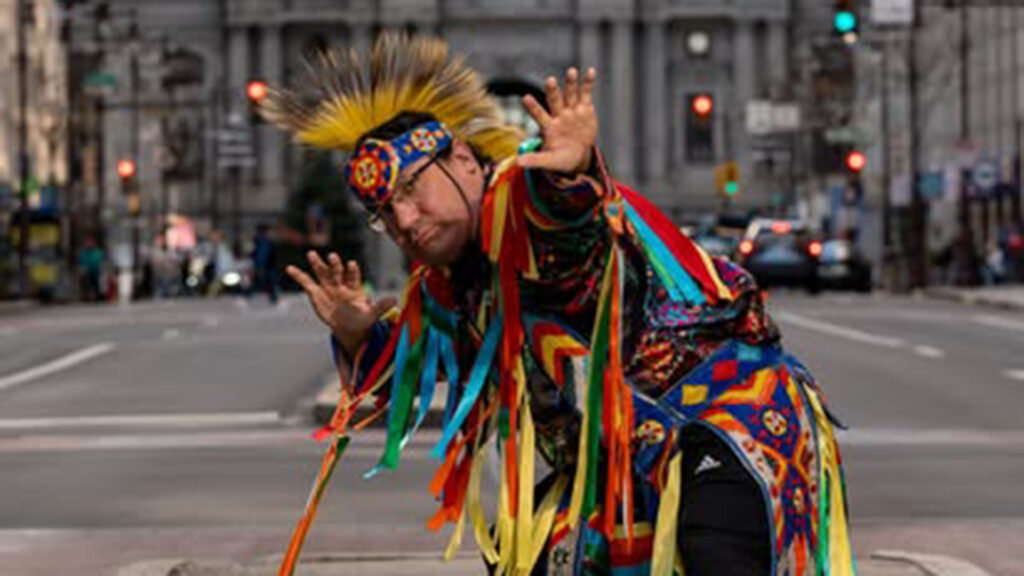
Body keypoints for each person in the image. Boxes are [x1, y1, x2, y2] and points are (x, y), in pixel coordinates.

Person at [268, 34, 854, 576]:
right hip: (619, 465)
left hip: (727, 417)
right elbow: (408, 370)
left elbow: (567, 227)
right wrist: (353, 334)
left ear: (465, 161)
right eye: (384, 213)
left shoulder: (517, 206)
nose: (403, 221)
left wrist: (570, 170)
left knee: (717, 549)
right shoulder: (452, 290)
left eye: (409, 191)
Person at [250, 223, 279, 304]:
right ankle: (252, 295)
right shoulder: (260, 241)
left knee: (266, 281)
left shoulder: (263, 241)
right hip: (264, 265)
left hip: (266, 265)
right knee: (263, 281)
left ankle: (272, 297)